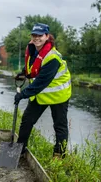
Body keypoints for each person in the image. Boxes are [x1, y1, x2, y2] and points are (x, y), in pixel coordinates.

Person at [14, 23, 72, 157]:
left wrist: (23, 94)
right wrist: (23, 73)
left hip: (58, 95)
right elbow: (33, 65)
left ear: (46, 36)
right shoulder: (33, 49)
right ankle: (19, 150)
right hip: (41, 94)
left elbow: (41, 82)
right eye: (34, 35)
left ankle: (59, 156)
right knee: (27, 120)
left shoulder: (53, 57)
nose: (36, 38)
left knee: (59, 126)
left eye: (40, 35)